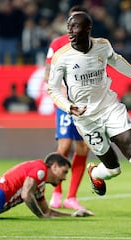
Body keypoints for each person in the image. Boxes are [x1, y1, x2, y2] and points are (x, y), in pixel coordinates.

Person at [47, 12, 131, 229]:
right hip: (86, 120)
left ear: (88, 29)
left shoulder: (102, 46)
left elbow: (116, 60)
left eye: (74, 28)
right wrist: (69, 107)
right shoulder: (62, 56)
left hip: (110, 109)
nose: (69, 32)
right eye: (68, 27)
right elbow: (52, 88)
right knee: (113, 169)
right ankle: (95, 172)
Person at [44, 5, 90, 211]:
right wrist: (62, 90)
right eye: (71, 22)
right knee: (64, 147)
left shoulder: (91, 45)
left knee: (83, 147)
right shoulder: (58, 44)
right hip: (65, 103)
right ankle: (56, 192)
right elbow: (48, 72)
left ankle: (71, 197)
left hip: (86, 104)